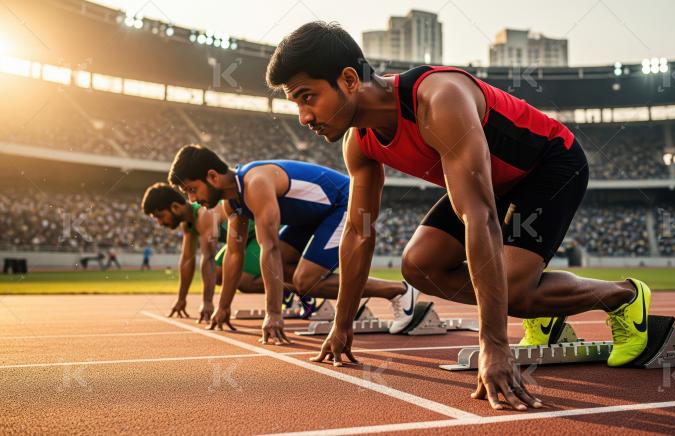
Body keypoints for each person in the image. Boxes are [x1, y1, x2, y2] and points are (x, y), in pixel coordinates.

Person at [266, 22, 653, 412]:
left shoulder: (438, 99)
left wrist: (494, 344)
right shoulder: (359, 143)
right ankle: (544, 314)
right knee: (419, 266)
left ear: (349, 79)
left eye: (306, 97)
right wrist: (343, 323)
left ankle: (624, 295)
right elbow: (358, 231)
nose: (303, 116)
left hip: (549, 165)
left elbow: (479, 216)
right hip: (493, 185)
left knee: (513, 287)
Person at [167, 146, 419, 343]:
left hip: (344, 203)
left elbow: (270, 248)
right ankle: (327, 297)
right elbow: (235, 255)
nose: (193, 200)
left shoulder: (255, 183)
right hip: (309, 218)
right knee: (293, 272)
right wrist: (223, 307)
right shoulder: (232, 204)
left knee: (304, 281)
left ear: (212, 176)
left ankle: (397, 290)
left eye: (192, 190)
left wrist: (273, 314)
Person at [142, 183, 265, 322]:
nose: (160, 222)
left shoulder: (204, 214)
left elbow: (209, 258)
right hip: (243, 240)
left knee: (242, 280)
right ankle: (286, 289)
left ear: (175, 207)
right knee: (219, 274)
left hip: (258, 233)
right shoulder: (188, 224)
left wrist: (207, 302)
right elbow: (187, 259)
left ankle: (288, 291)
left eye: (160, 216)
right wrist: (181, 299)